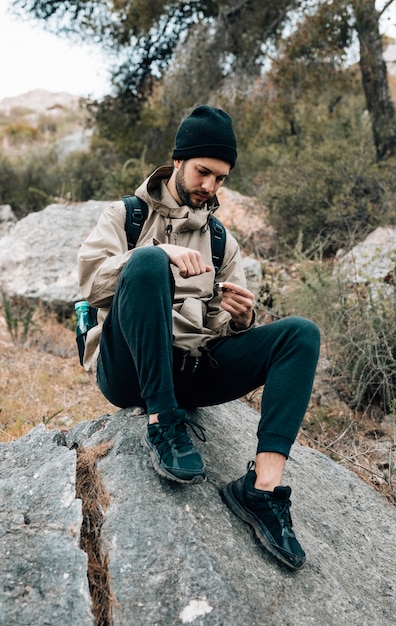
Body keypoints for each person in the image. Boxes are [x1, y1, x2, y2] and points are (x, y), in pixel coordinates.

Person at [78, 105, 320, 570]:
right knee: (147, 263)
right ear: (179, 161)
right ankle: (163, 424)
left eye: (221, 178)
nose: (210, 186)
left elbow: (217, 328)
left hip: (192, 369)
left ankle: (262, 490)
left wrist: (242, 319)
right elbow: (90, 283)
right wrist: (157, 253)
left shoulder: (219, 240)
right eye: (203, 172)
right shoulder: (125, 216)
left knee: (301, 335)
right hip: (128, 371)